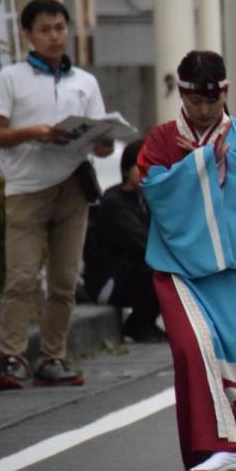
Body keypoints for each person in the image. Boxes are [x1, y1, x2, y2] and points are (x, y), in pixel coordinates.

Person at [138, 51, 236, 471]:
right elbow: (153, 189)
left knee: (235, 362)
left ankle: (210, 448)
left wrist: (228, 161)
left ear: (224, 93)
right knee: (192, 348)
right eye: (194, 102)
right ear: (182, 95)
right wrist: (202, 163)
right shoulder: (163, 140)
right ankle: (225, 448)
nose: (203, 111)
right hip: (178, 268)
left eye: (211, 102)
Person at [0, 0, 115, 389]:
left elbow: (98, 136)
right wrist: (34, 132)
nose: (55, 36)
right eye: (45, 30)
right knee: (21, 277)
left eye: (60, 28)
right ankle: (11, 357)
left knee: (64, 279)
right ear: (28, 35)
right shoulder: (12, 78)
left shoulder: (84, 82)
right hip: (26, 188)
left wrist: (103, 144)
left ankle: (52, 357)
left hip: (73, 186)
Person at [82, 140, 162, 342]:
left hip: (131, 274)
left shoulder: (146, 199)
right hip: (107, 282)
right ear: (127, 169)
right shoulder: (114, 202)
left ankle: (144, 322)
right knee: (164, 267)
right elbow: (140, 241)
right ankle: (138, 324)